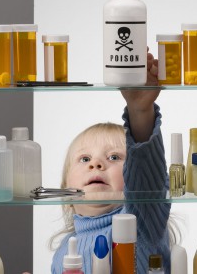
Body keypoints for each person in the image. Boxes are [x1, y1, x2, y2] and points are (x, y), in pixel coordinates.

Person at [50, 50, 173, 274]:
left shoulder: (142, 225)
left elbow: (146, 176)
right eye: (84, 158)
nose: (95, 164)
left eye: (114, 157)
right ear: (66, 188)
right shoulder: (64, 251)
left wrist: (140, 111)